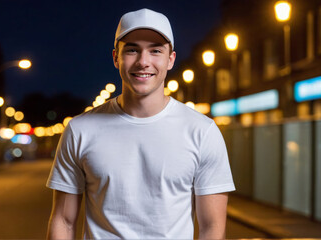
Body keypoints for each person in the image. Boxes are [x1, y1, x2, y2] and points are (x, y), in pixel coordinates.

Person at [46, 8, 235, 239]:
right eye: (132, 50)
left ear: (170, 59)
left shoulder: (202, 132)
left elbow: (213, 228)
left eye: (155, 51)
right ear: (116, 57)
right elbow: (63, 220)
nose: (143, 62)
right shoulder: (80, 130)